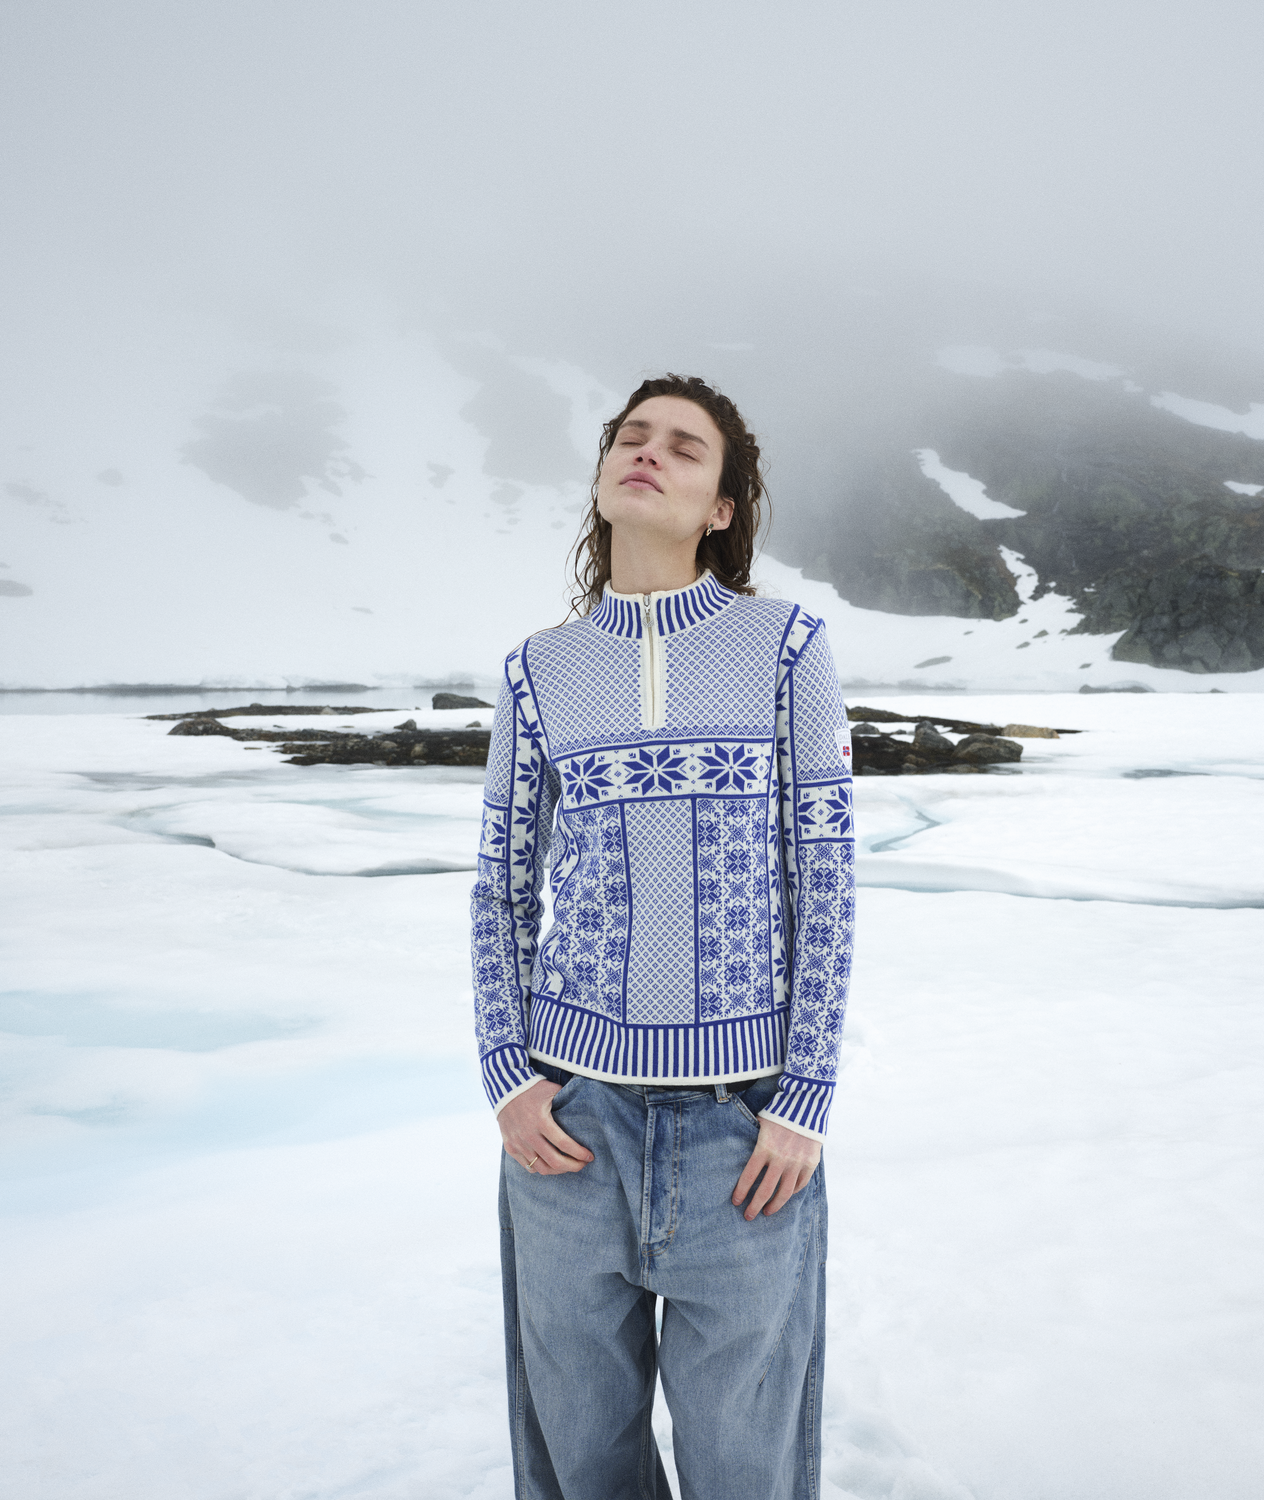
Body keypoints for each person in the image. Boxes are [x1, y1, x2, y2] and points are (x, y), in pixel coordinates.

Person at [470, 373, 857, 1498]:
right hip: (568, 1134)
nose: (649, 453)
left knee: (748, 1471)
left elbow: (826, 886)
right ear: (600, 479)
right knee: (579, 1467)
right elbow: (498, 885)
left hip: (743, 1140)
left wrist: (802, 1104)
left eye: (684, 449)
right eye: (630, 437)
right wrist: (507, 1076)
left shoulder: (788, 650)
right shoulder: (539, 671)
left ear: (721, 508)